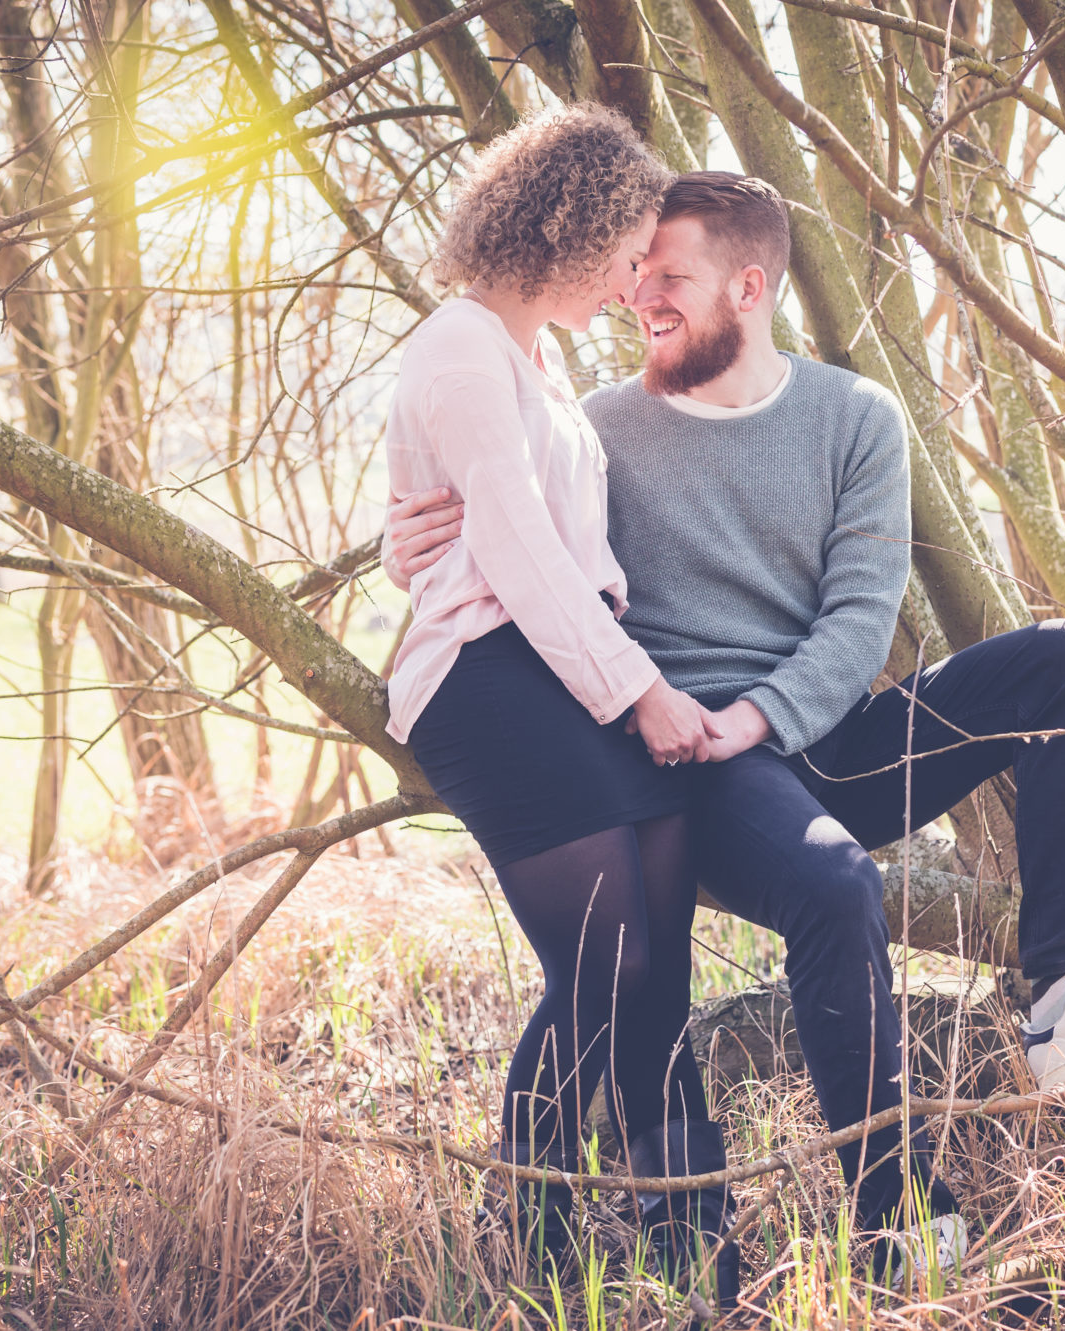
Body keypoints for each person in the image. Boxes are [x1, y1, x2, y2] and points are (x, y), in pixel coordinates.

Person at [387, 171, 1065, 1281]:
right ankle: (893, 1212)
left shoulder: (854, 417)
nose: (642, 295)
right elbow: (514, 543)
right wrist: (414, 538)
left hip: (803, 732)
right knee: (832, 888)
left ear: (749, 285)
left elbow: (858, 615)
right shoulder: (593, 429)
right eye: (634, 274)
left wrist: (763, 714)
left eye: (670, 276)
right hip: (690, 757)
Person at [382, 107, 735, 1302]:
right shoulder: (459, 349)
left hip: (565, 662)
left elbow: (522, 534)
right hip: (489, 678)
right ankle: (528, 1242)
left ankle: (690, 1242)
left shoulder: (532, 361)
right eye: (629, 244)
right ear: (570, 225)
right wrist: (638, 693)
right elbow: (516, 552)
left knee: (654, 967)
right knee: (606, 961)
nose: (639, 274)